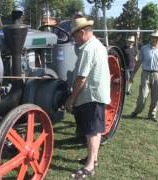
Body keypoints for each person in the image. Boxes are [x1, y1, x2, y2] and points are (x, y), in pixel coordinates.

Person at [65, 17, 111, 178]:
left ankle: (90, 166)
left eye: (75, 36)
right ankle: (94, 159)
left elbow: (81, 78)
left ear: (83, 32)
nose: (74, 40)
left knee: (91, 131)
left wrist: (71, 99)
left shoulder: (87, 49)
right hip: (99, 93)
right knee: (95, 129)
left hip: (91, 95)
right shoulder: (99, 45)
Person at [130, 30, 158, 121]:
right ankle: (136, 111)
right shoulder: (144, 48)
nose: (154, 39)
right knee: (142, 96)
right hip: (145, 74)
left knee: (156, 97)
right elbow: (139, 62)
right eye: (153, 37)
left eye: (156, 37)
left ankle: (152, 115)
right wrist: (133, 74)